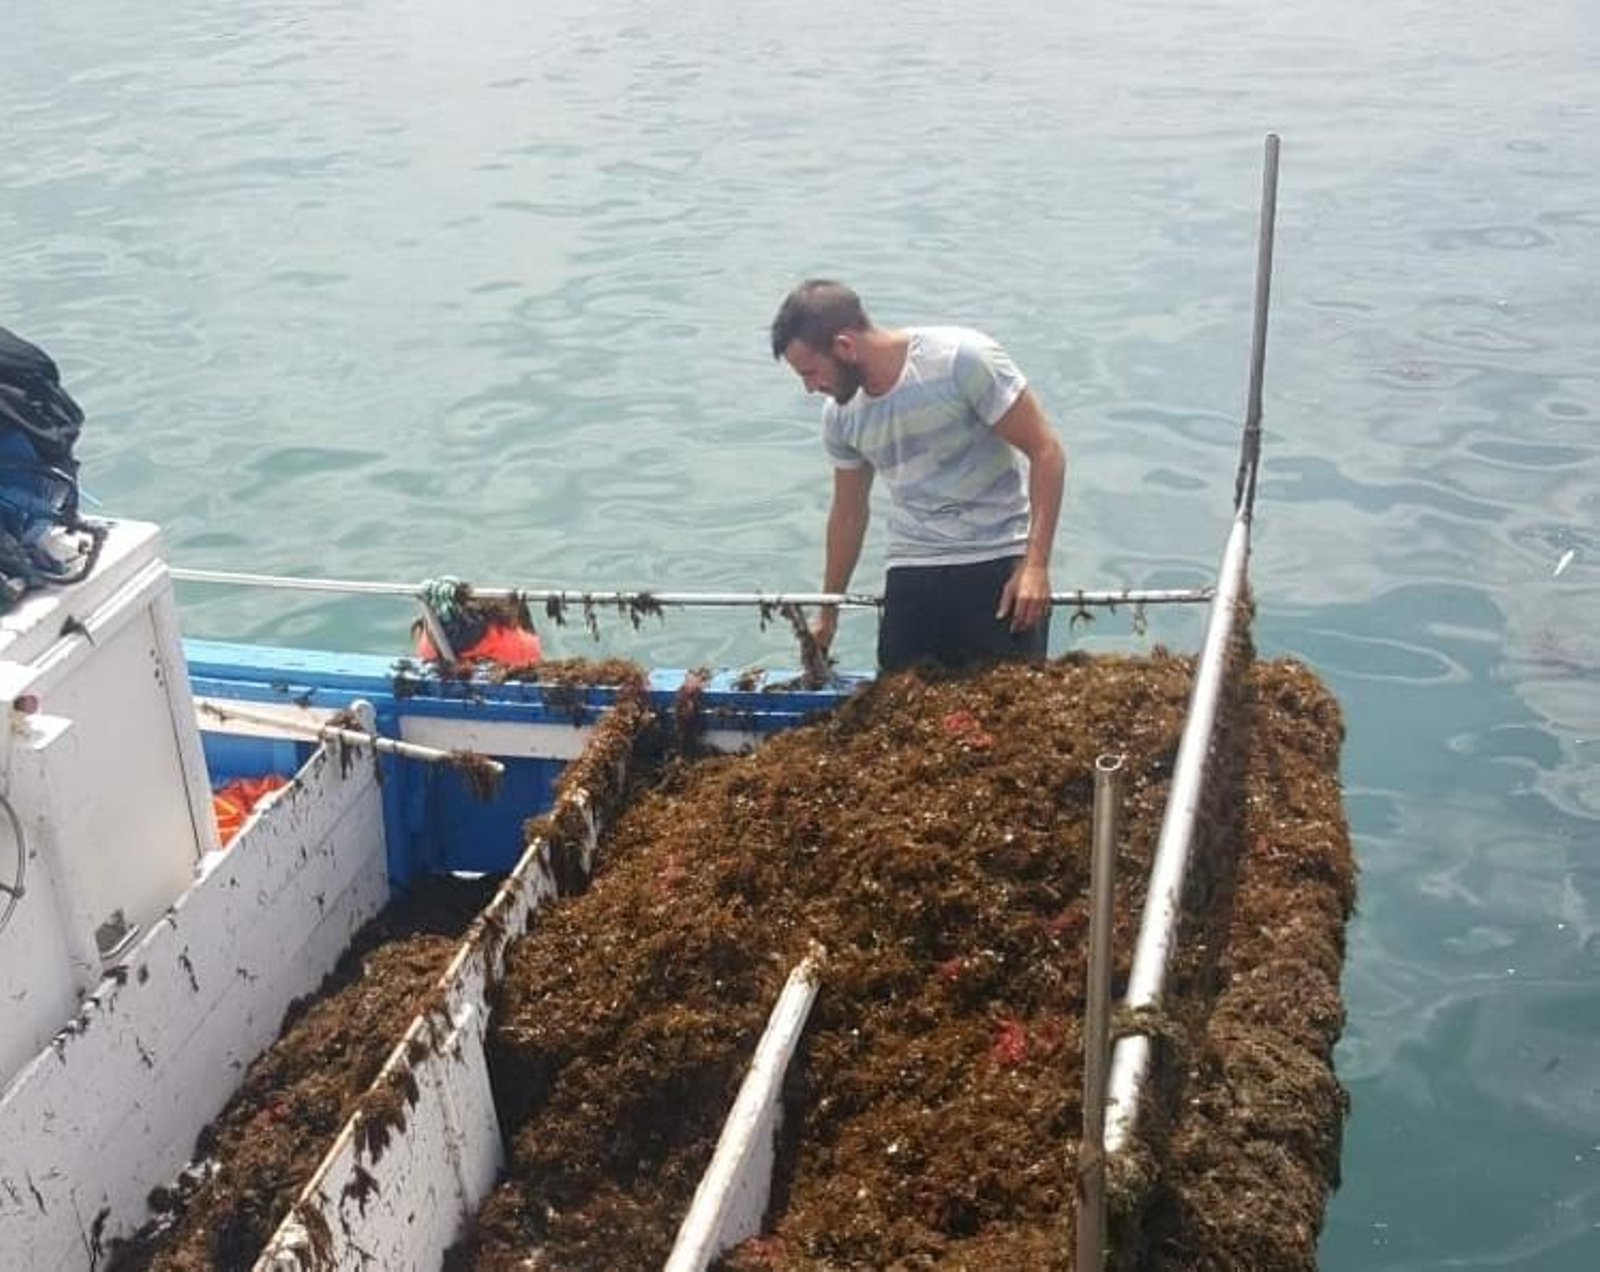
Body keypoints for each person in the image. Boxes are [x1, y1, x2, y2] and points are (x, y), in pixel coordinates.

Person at [770, 280, 1066, 672]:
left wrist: (1035, 567)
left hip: (995, 561)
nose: (810, 388)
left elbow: (1046, 452)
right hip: (912, 570)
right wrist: (830, 611)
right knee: (899, 715)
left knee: (1005, 718)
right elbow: (848, 514)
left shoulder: (962, 360)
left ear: (844, 346)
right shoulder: (840, 414)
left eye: (810, 372)